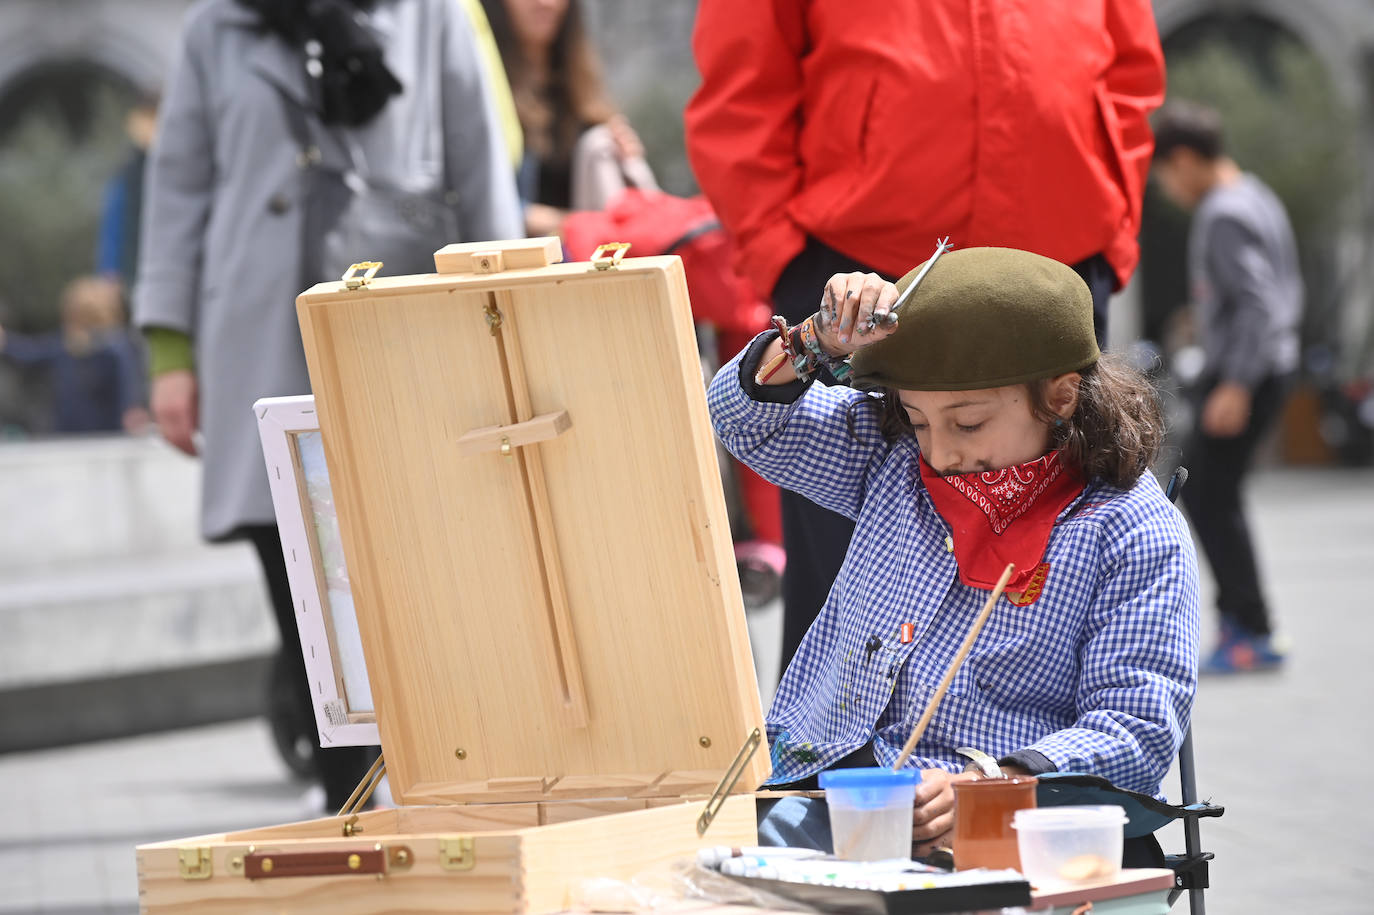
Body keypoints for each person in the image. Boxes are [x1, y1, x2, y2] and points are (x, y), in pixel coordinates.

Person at [685, 0, 1166, 670]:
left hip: (1056, 269)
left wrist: (1110, 235)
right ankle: (841, 768)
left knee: (1067, 557)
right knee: (851, 576)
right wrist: (785, 261)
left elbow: (1131, 74)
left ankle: (1040, 763)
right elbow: (741, 87)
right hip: (859, 272)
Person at [135, 0, 523, 811]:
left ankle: (444, 799)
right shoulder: (219, 28)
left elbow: (481, 164)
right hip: (256, 334)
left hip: (399, 328)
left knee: (427, 573)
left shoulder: (433, 14)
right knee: (300, 585)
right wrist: (170, 350)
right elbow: (178, 186)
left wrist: (506, 314)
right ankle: (349, 806)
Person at [707, 246, 1198, 854]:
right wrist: (818, 340)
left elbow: (1137, 728)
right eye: (917, 419)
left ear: (1061, 395)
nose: (940, 453)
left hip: (1013, 826)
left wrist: (991, 783)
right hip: (824, 794)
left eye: (968, 424)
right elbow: (738, 420)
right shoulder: (892, 458)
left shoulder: (1130, 528)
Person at [1151, 101, 1302, 674]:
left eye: (1164, 174)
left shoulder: (1223, 212)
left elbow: (1258, 304)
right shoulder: (1256, 195)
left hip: (1248, 372)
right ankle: (1247, 623)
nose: (1167, 188)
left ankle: (1250, 628)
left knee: (1211, 495)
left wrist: (1235, 383)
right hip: (1264, 365)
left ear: (1185, 159)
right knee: (1217, 496)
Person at [479, 0, 655, 238]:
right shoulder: (483, 91)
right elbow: (481, 204)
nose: (545, 3)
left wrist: (623, 157)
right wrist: (577, 224)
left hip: (592, 262)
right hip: (527, 263)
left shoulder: (581, 90)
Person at [0, 276, 147, 435]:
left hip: (104, 436)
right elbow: (30, 353)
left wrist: (132, 410)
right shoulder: (64, 345)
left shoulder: (114, 348)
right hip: (69, 435)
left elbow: (127, 388)